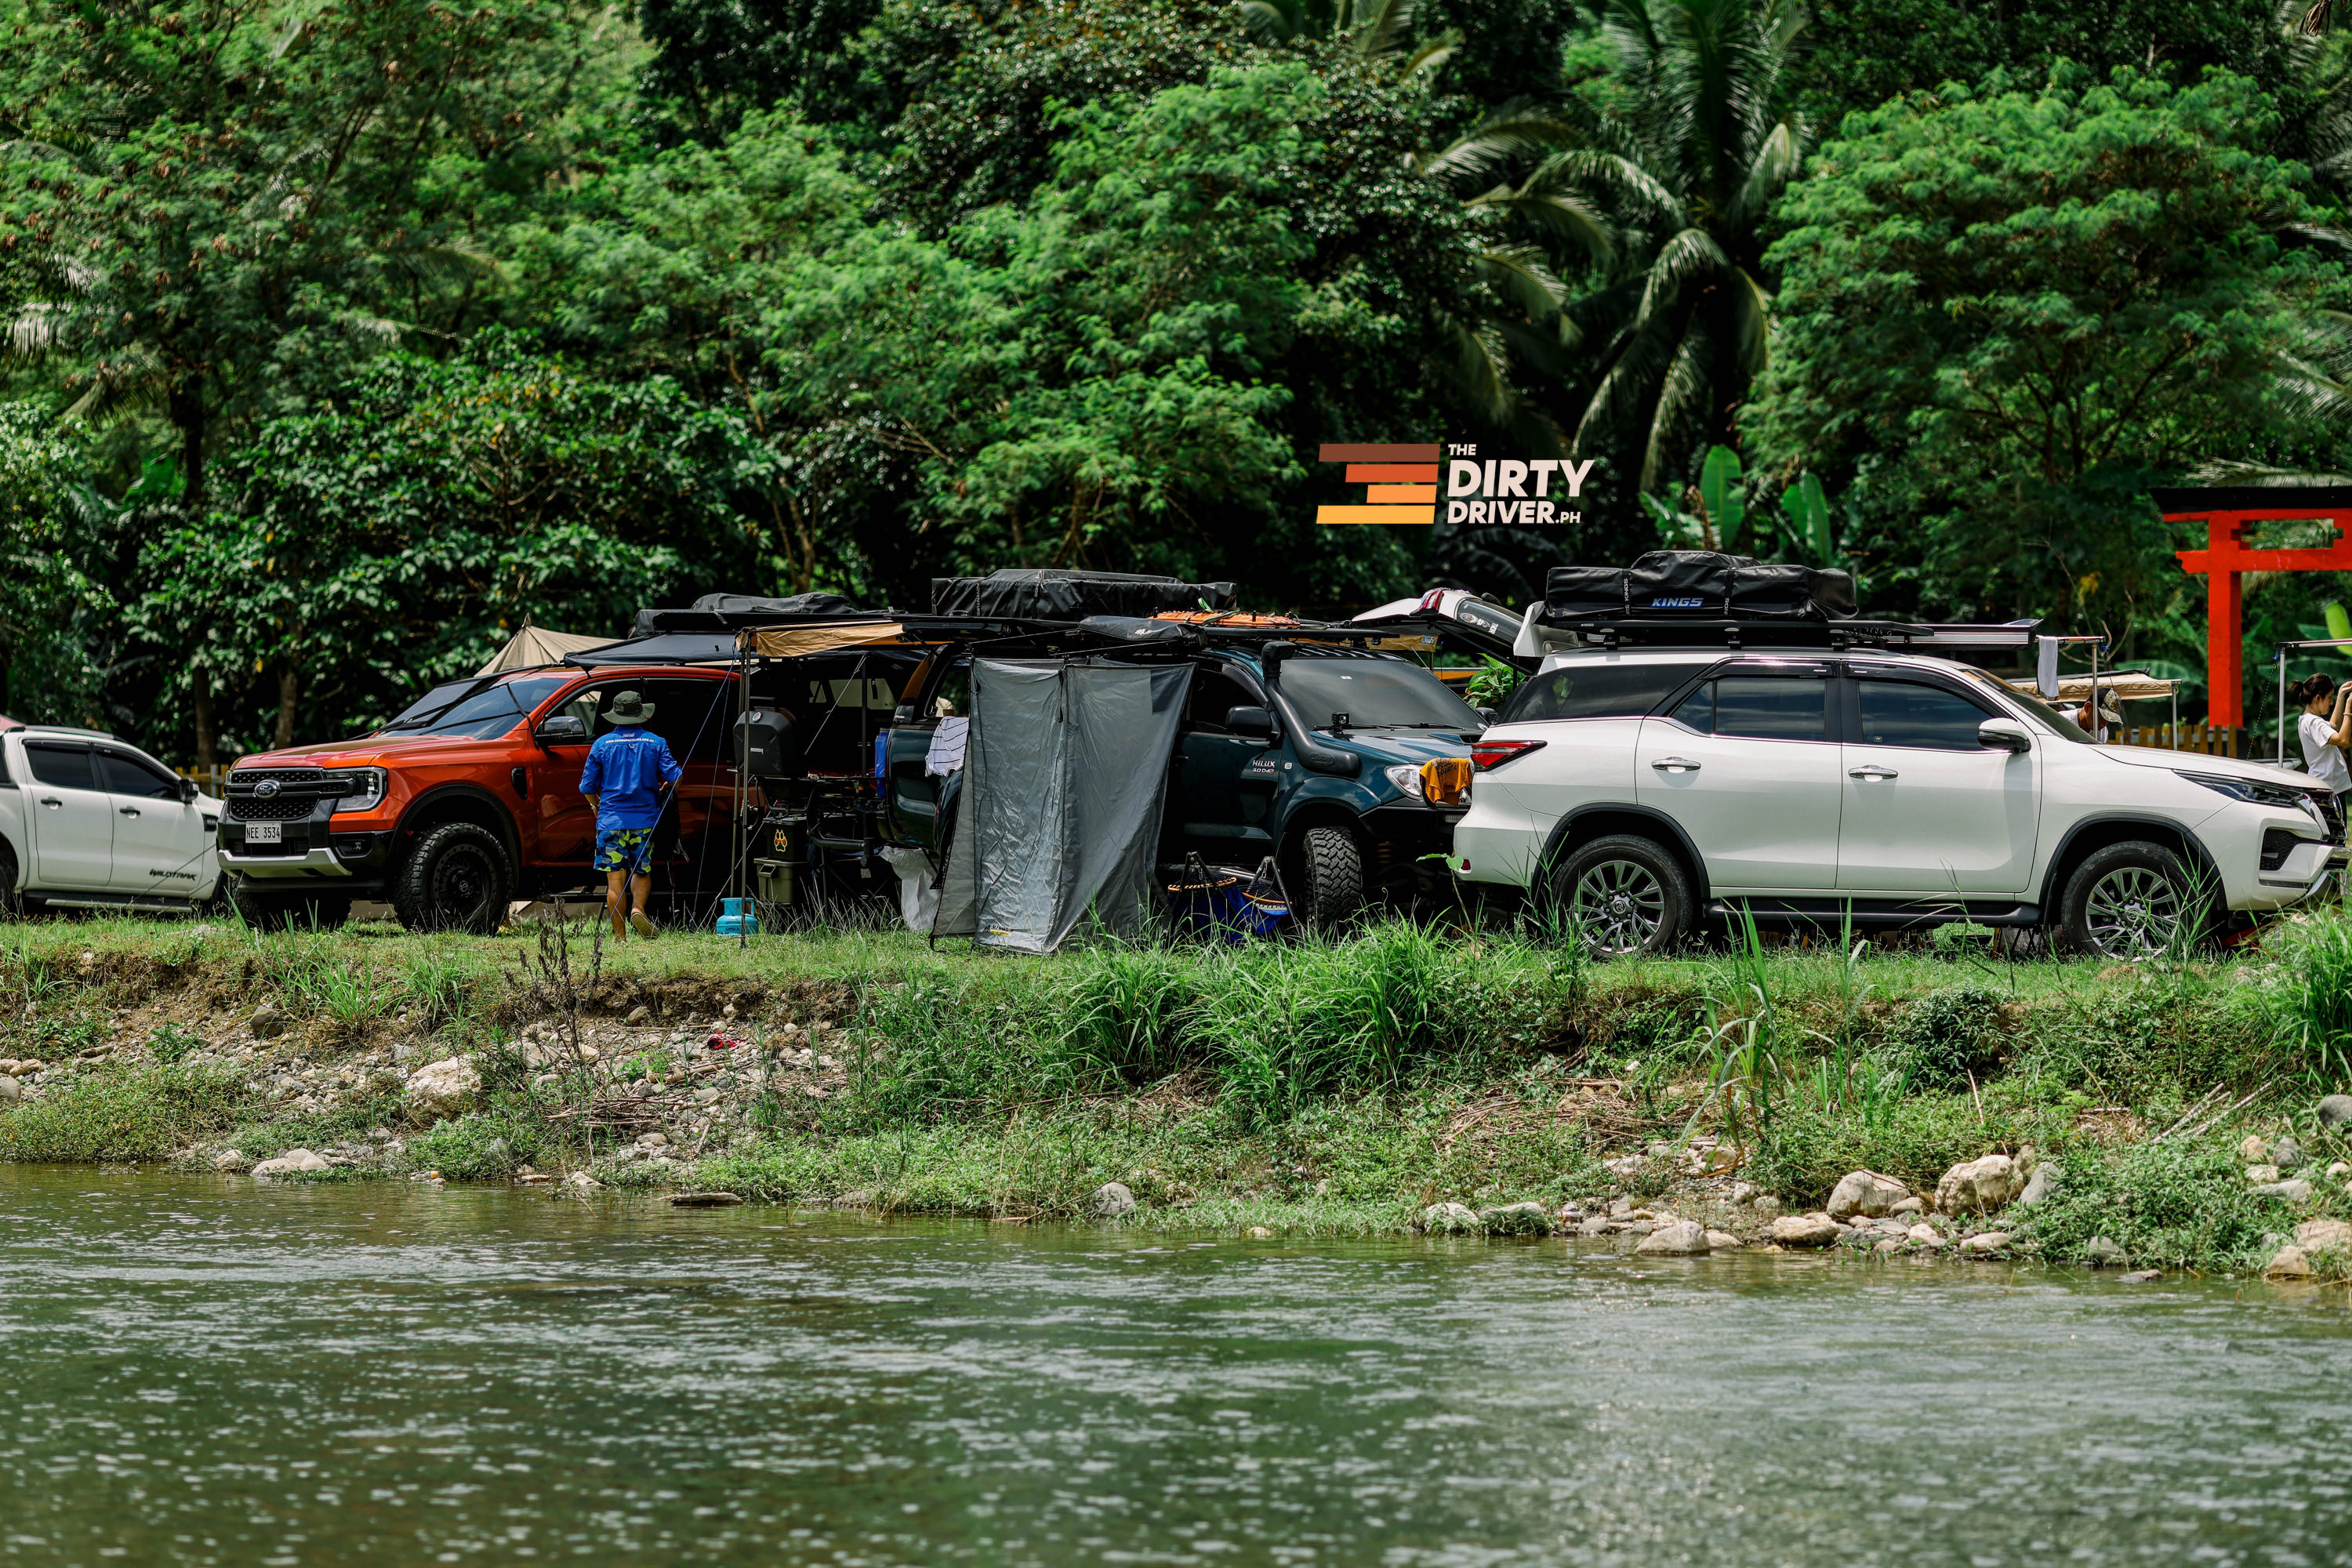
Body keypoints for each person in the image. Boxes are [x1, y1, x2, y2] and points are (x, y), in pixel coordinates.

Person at [579, 689, 682, 940]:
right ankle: (638, 908)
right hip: (644, 823)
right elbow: (675, 777)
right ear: (642, 715)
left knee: (615, 881)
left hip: (610, 821)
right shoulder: (656, 742)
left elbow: (587, 787)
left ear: (615, 716)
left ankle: (620, 936)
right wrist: (665, 786)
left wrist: (596, 806)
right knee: (641, 872)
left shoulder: (602, 744)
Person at [2296, 673, 2352, 800]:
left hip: (2326, 786)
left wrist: (2341, 696)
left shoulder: (2308, 720)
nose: (2331, 702)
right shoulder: (2314, 723)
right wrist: (2349, 707)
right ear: (2318, 698)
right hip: (2328, 789)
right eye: (2329, 698)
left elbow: (2333, 726)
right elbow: (2343, 740)